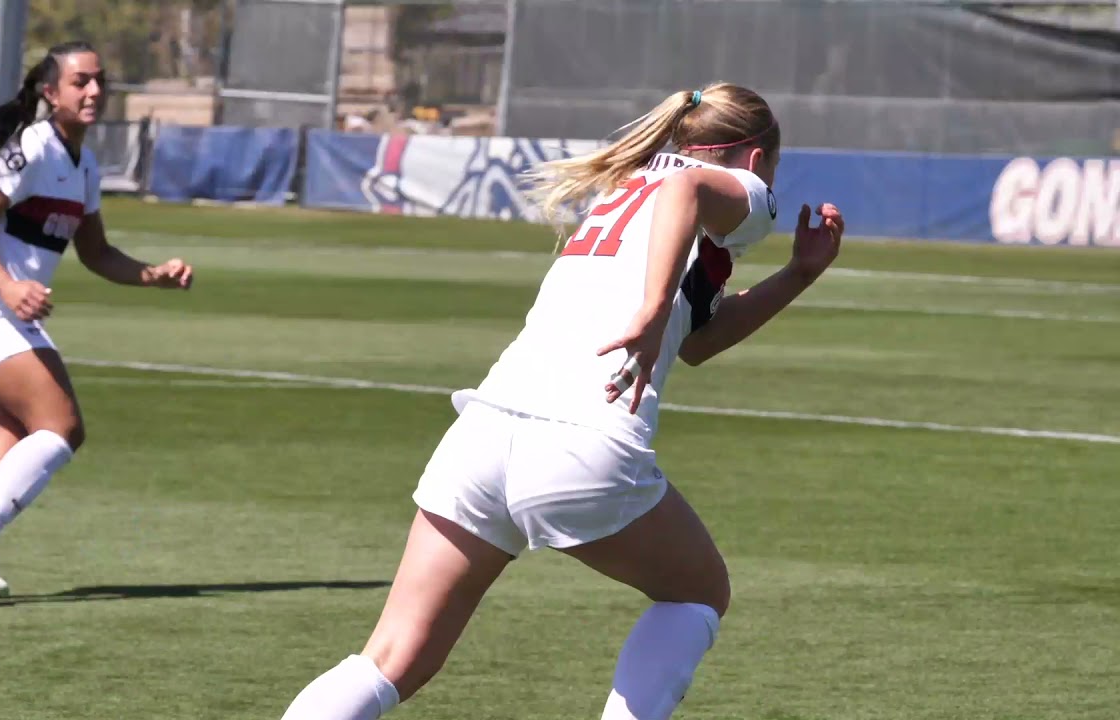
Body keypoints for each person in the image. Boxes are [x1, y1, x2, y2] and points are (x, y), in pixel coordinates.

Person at [277, 82, 844, 720]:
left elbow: (697, 342)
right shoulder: (731, 185)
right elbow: (688, 194)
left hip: (484, 435)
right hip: (582, 438)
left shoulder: (625, 187)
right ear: (757, 155)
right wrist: (654, 308)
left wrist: (797, 275)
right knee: (699, 592)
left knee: (391, 658)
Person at [0, 41, 194, 605]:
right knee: (63, 427)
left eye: (99, 81)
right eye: (80, 82)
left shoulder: (85, 163)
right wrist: (10, 286)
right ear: (51, 93)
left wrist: (153, 275)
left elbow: (97, 254)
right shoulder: (32, 148)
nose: (94, 91)